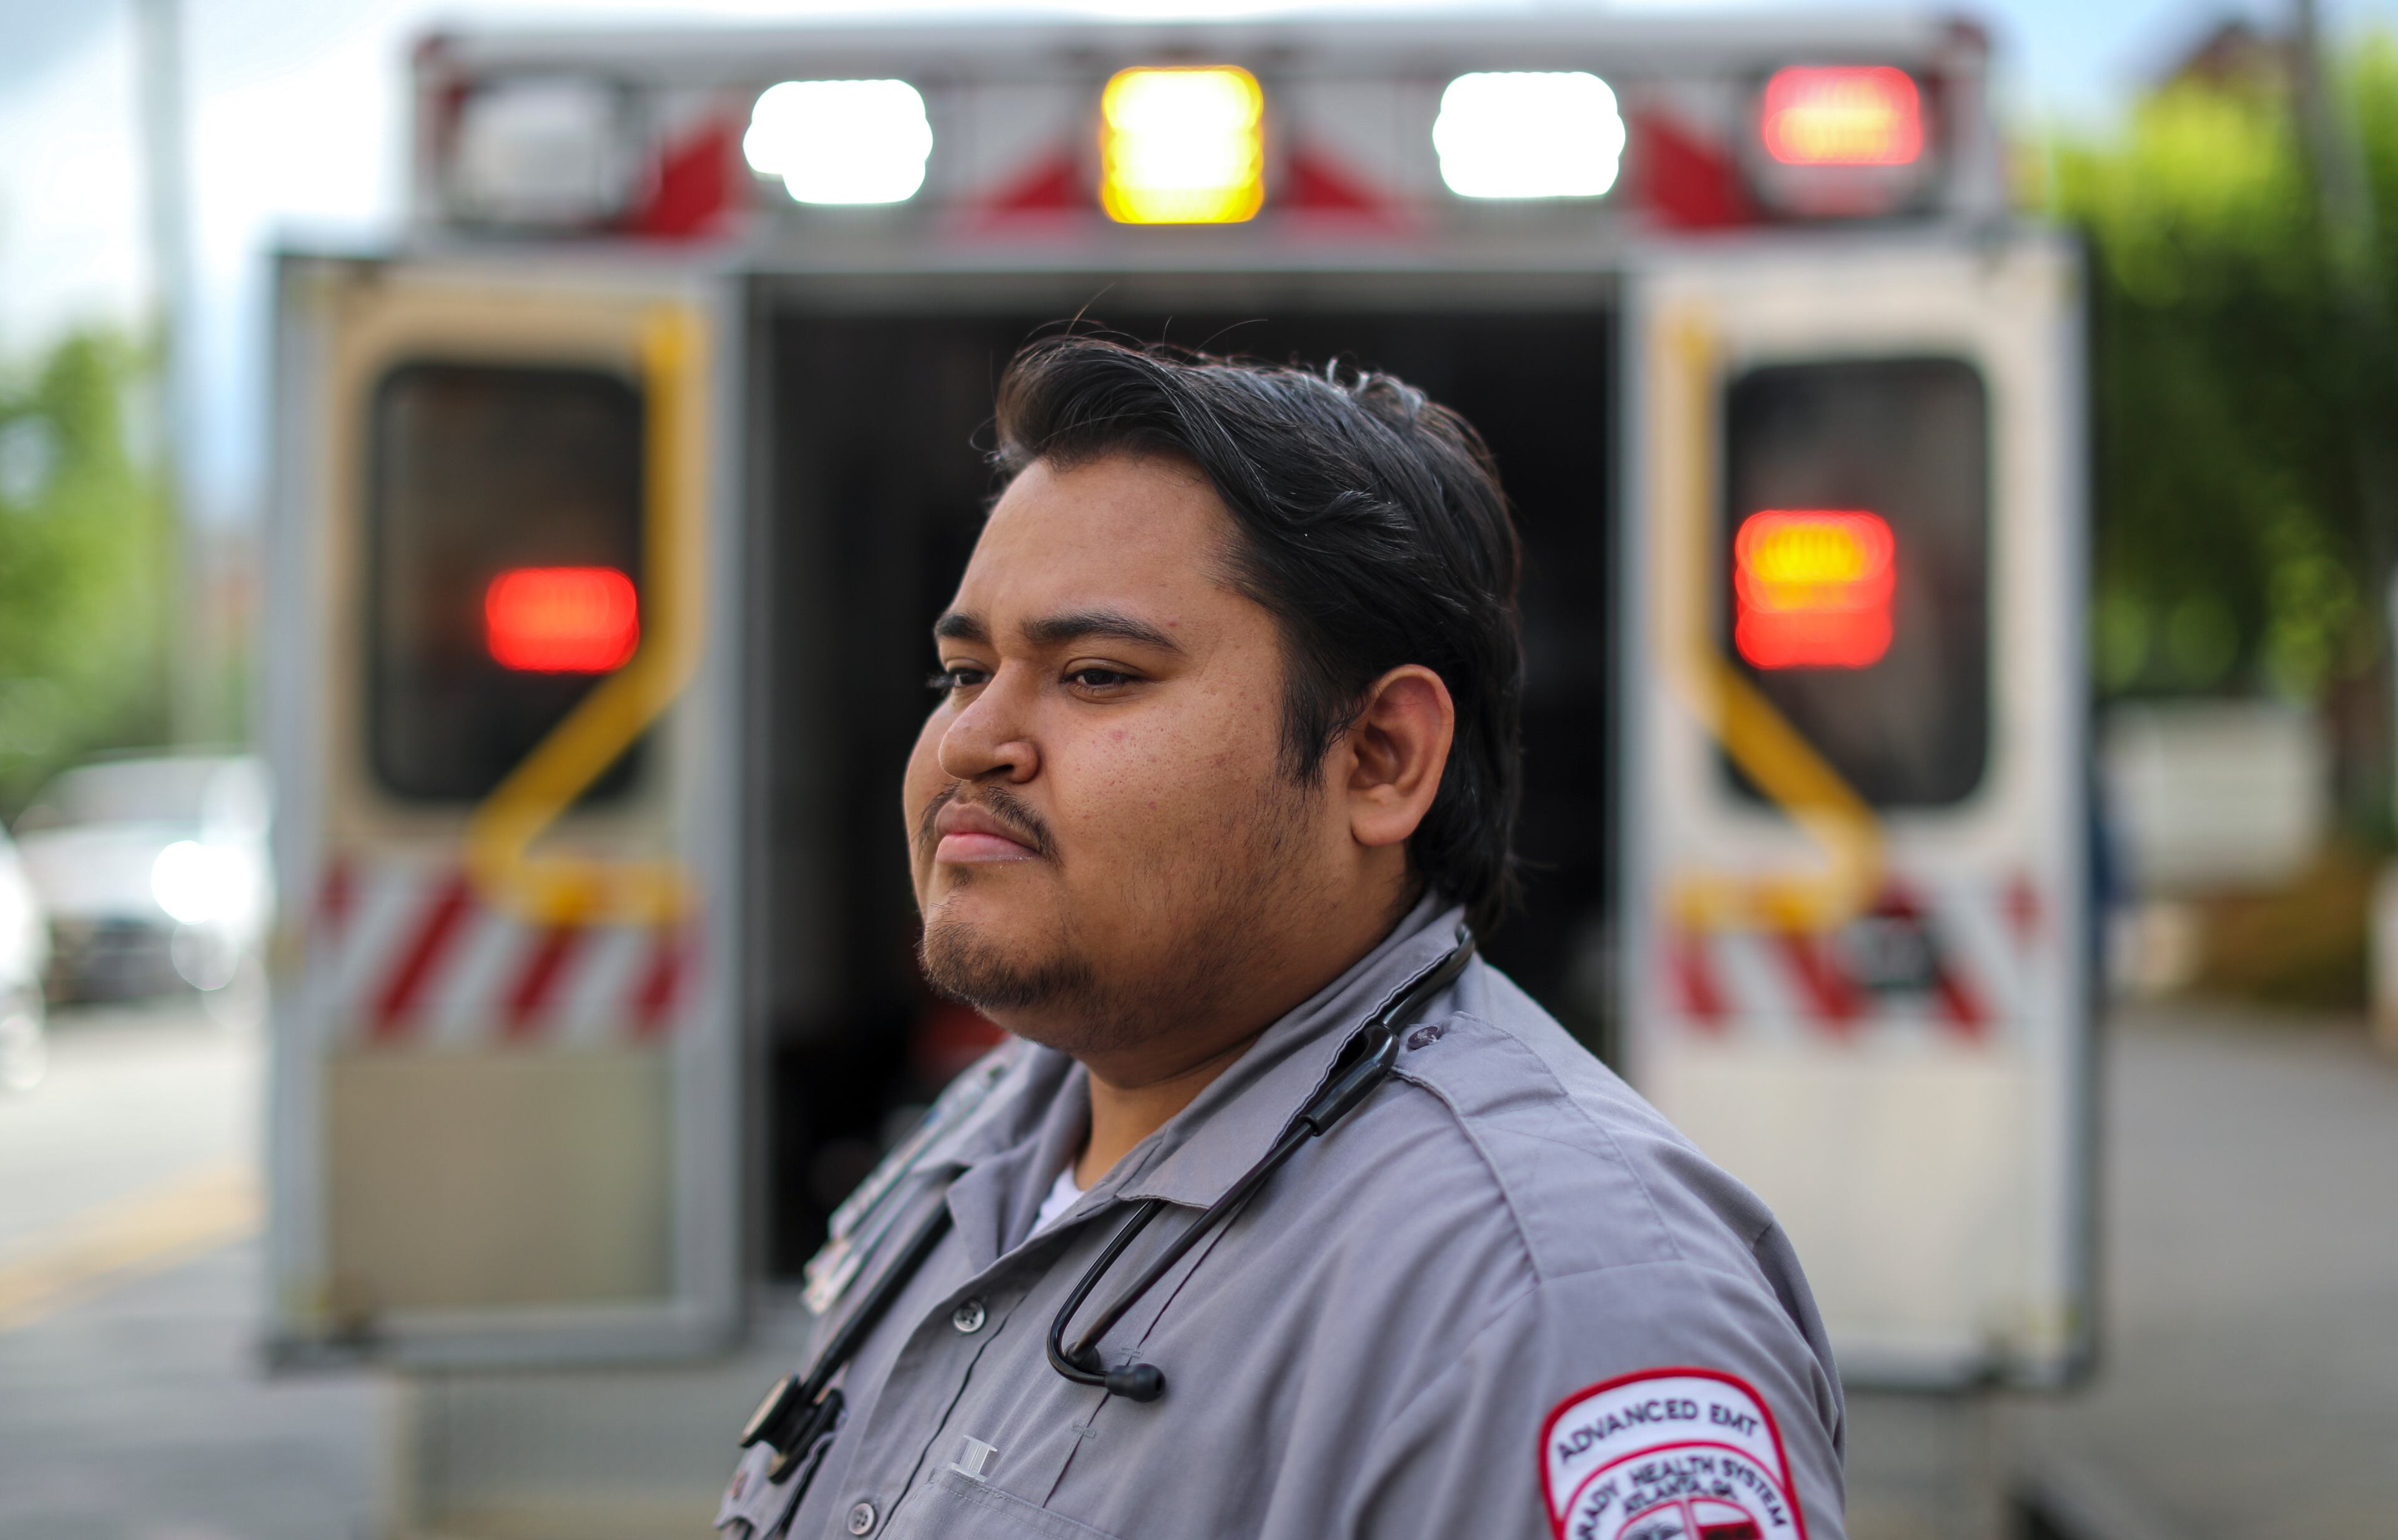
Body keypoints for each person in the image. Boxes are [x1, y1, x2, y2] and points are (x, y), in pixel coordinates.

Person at [718, 336, 1844, 1540]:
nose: (968, 742)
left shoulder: (1555, 1305)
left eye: (1095, 674)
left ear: (1380, 758)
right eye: (960, 670)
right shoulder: (976, 1145)